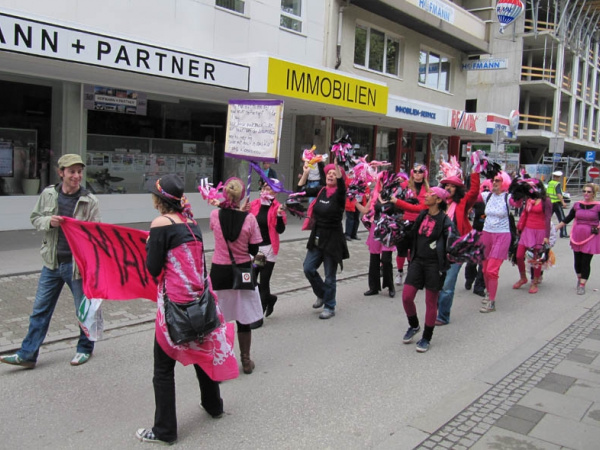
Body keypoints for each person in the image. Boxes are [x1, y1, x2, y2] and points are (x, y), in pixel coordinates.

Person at [138, 174, 236, 445]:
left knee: (163, 369)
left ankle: (165, 431)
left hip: (174, 308)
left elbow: (153, 268)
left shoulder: (161, 224)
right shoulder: (191, 223)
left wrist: (149, 247)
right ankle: (214, 406)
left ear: (159, 201)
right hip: (200, 303)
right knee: (201, 354)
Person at [0, 154, 100, 369]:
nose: (76, 176)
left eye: (79, 172)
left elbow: (96, 235)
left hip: (77, 266)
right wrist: (49, 221)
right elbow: (35, 218)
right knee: (40, 311)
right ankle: (27, 354)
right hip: (51, 263)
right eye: (72, 171)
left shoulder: (89, 201)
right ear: (61, 173)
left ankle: (84, 349)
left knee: (84, 311)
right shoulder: (48, 195)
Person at [210, 178, 263, 374]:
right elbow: (254, 247)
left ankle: (220, 362)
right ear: (241, 196)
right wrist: (242, 214)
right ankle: (246, 361)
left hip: (219, 272)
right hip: (242, 273)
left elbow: (217, 230)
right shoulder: (249, 219)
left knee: (219, 319)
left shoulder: (214, 215)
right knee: (244, 318)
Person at [400, 187, 457, 353]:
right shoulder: (422, 215)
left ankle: (426, 337)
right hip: (417, 261)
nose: (426, 195)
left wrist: (452, 251)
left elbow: (453, 241)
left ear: (438, 200)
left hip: (434, 265)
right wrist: (397, 230)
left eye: (431, 194)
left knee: (430, 302)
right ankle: (414, 325)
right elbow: (411, 235)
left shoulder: (445, 221)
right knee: (406, 297)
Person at [299, 158, 349, 319]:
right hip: (318, 235)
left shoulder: (340, 195)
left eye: (334, 174)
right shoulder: (320, 190)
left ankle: (330, 306)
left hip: (333, 238)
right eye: (329, 173)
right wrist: (306, 172)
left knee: (329, 276)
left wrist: (337, 166)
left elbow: (342, 187)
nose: (331, 175)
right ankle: (322, 293)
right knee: (308, 268)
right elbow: (300, 190)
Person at [435, 170, 480, 325]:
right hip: (439, 248)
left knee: (448, 283)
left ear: (457, 189)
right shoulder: (438, 203)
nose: (448, 188)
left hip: (457, 248)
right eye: (446, 185)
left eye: (452, 186)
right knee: (436, 283)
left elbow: (474, 192)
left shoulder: (462, 202)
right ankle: (437, 306)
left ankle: (443, 316)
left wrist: (476, 171)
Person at [249, 180, 287, 317]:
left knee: (264, 281)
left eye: (270, 188)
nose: (266, 190)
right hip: (254, 248)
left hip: (269, 248)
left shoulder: (278, 207)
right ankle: (270, 298)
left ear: (275, 192)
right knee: (251, 279)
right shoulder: (254, 204)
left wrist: (278, 216)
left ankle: (261, 310)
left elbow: (280, 230)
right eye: (265, 187)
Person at [479, 172, 515, 313]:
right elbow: (471, 194)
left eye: (498, 181)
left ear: (504, 183)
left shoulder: (508, 198)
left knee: (492, 270)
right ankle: (489, 292)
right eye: (493, 180)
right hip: (486, 234)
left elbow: (518, 201)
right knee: (484, 269)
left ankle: (492, 302)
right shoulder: (487, 195)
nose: (495, 183)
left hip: (502, 235)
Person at [556, 183, 600, 295]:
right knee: (577, 261)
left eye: (589, 192)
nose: (586, 193)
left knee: (586, 261)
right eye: (584, 191)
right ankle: (579, 278)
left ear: (594, 193)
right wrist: (555, 228)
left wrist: (597, 228)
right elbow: (568, 218)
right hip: (577, 235)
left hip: (591, 236)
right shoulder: (577, 205)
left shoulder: (598, 206)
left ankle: (582, 284)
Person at [358, 177, 396, 298]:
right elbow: (365, 210)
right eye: (381, 181)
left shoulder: (395, 195)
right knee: (374, 258)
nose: (383, 183)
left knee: (386, 259)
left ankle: (390, 286)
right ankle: (374, 287)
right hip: (376, 227)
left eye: (386, 181)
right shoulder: (375, 195)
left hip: (388, 228)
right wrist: (353, 200)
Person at [512, 180, 552, 294]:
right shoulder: (529, 200)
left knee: (536, 258)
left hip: (540, 232)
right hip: (527, 231)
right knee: (519, 255)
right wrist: (520, 228)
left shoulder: (546, 201)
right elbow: (524, 214)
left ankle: (534, 282)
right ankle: (523, 277)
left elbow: (548, 218)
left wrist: (546, 236)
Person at [394, 163, 430, 286]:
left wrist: (406, 204)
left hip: (420, 222)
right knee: (401, 249)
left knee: (414, 250)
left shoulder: (428, 189)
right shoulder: (405, 186)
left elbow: (422, 208)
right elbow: (396, 199)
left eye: (420, 171)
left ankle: (411, 272)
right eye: (415, 171)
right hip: (405, 220)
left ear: (424, 174)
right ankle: (399, 272)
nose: (417, 174)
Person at [464, 179, 492, 297]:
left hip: (489, 233)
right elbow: (467, 206)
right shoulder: (479, 200)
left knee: (484, 261)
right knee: (472, 260)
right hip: (476, 232)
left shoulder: (495, 201)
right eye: (484, 189)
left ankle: (479, 286)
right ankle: (470, 278)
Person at [547, 170, 568, 238]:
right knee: (562, 218)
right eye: (559, 177)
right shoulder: (557, 184)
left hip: (550, 202)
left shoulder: (550, 183)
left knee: (547, 218)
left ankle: (544, 231)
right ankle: (563, 233)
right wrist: (563, 202)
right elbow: (558, 194)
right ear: (557, 177)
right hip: (556, 203)